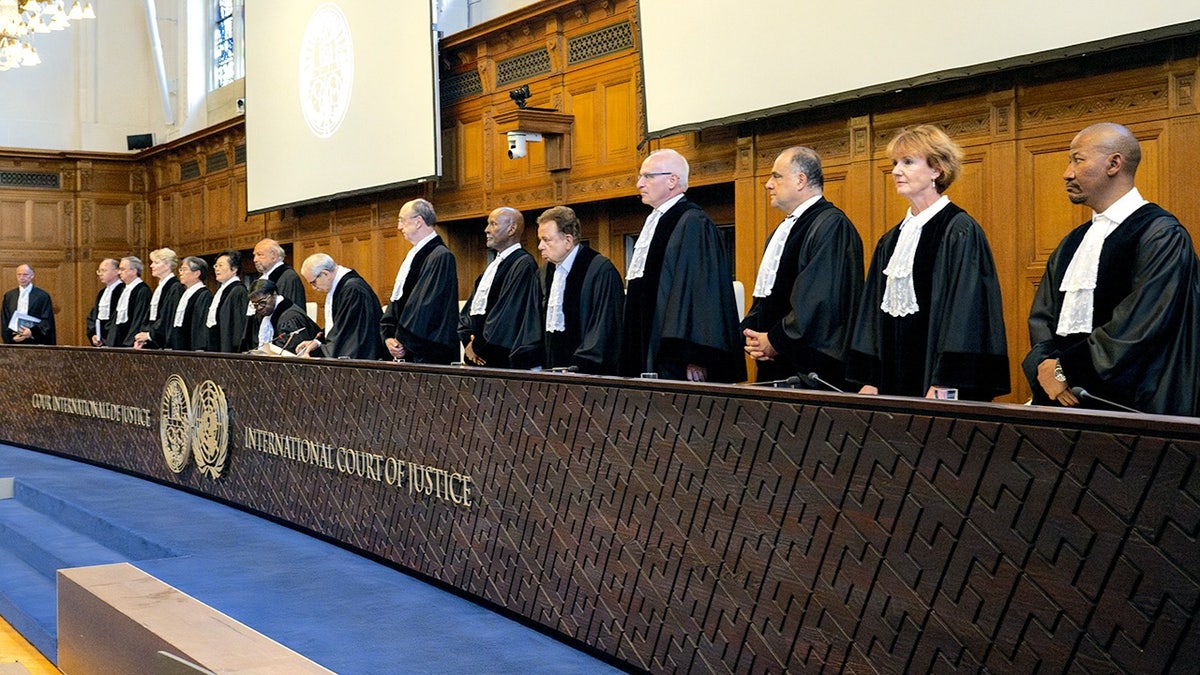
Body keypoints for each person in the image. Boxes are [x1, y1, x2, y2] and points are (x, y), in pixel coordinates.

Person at [1024, 122, 1200, 416]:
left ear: (1114, 164)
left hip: (1131, 406)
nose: (1067, 173)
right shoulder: (1073, 241)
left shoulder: (1161, 234)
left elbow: (1142, 323)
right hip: (1063, 403)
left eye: (1078, 160)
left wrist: (1065, 370)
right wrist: (1045, 366)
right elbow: (1042, 315)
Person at [846, 125, 1009, 400]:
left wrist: (946, 380)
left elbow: (967, 312)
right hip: (891, 383)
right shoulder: (891, 240)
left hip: (937, 383)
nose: (897, 171)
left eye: (908, 162)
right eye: (895, 163)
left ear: (937, 169)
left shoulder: (959, 230)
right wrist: (870, 379)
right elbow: (871, 314)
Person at [742, 147, 864, 388]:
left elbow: (821, 300)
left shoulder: (831, 224)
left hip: (811, 371)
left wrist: (775, 340)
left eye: (776, 176)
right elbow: (768, 295)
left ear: (800, 180)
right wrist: (752, 335)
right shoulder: (783, 229)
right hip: (776, 362)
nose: (768, 184)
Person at [618, 149, 745, 382]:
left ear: (672, 180)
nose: (639, 184)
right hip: (648, 342)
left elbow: (701, 293)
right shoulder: (655, 220)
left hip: (677, 357)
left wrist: (695, 355)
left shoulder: (693, 221)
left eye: (648, 176)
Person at [535, 205, 624, 374]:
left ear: (568, 241)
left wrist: (580, 365)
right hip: (550, 370)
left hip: (586, 374)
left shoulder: (599, 269)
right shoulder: (544, 273)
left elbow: (604, 326)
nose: (540, 246)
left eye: (546, 240)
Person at [458, 206, 543, 369]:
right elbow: (470, 308)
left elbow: (508, 314)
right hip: (476, 356)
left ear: (511, 229)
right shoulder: (493, 265)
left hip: (498, 358)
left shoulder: (523, 263)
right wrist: (467, 340)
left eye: (493, 224)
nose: (486, 230)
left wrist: (477, 347)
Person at [379, 199, 460, 364]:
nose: (399, 227)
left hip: (428, 350)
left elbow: (426, 305)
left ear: (418, 222)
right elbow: (398, 298)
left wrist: (402, 338)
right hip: (407, 345)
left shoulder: (441, 256)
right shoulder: (412, 255)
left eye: (402, 221)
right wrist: (389, 335)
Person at [294, 253, 385, 359]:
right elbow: (339, 325)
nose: (314, 288)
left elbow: (349, 337)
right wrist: (317, 342)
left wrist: (316, 355)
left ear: (326, 274)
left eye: (313, 282)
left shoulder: (353, 290)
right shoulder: (341, 287)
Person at [246, 239, 307, 349]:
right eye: (254, 255)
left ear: (274, 255)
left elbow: (291, 317)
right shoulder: (262, 279)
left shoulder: (288, 277)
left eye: (260, 255)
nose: (255, 260)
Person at [248, 278, 320, 354]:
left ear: (274, 294)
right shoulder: (265, 315)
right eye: (255, 305)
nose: (259, 307)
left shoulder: (290, 318)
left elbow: (290, 353)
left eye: (262, 302)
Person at [134, 248, 184, 349]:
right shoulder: (160, 286)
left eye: (156, 263)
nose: (151, 266)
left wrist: (150, 335)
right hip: (153, 339)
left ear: (167, 265)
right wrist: (144, 334)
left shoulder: (175, 287)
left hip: (164, 342)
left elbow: (168, 317)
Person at [205, 250, 250, 353]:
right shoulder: (222, 290)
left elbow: (239, 325)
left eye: (221, 265)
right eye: (216, 266)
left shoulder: (238, 291)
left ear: (234, 269)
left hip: (230, 348)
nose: (217, 269)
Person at [2, 264, 56, 345]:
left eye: (25, 274)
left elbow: (47, 320)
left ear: (32, 276)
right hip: (15, 340)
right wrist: (11, 338)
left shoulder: (42, 296)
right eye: (19, 274)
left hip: (35, 340)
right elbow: (5, 319)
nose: (21, 278)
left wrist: (32, 332)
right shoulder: (9, 296)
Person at [167, 256, 213, 351]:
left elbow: (201, 325)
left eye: (184, 270)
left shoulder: (204, 295)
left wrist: (199, 348)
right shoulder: (185, 293)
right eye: (180, 270)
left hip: (192, 348)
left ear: (197, 273)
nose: (181, 273)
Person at [110, 256, 151, 348]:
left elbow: (139, 319)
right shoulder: (124, 289)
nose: (119, 272)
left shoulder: (142, 291)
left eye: (122, 269)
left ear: (134, 271)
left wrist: (130, 341)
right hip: (120, 340)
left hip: (131, 342)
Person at [86, 258, 123, 347]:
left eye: (104, 270)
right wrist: (94, 334)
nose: (100, 274)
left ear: (116, 271)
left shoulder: (123, 291)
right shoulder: (102, 293)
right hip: (101, 338)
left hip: (115, 338)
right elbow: (93, 316)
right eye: (99, 271)